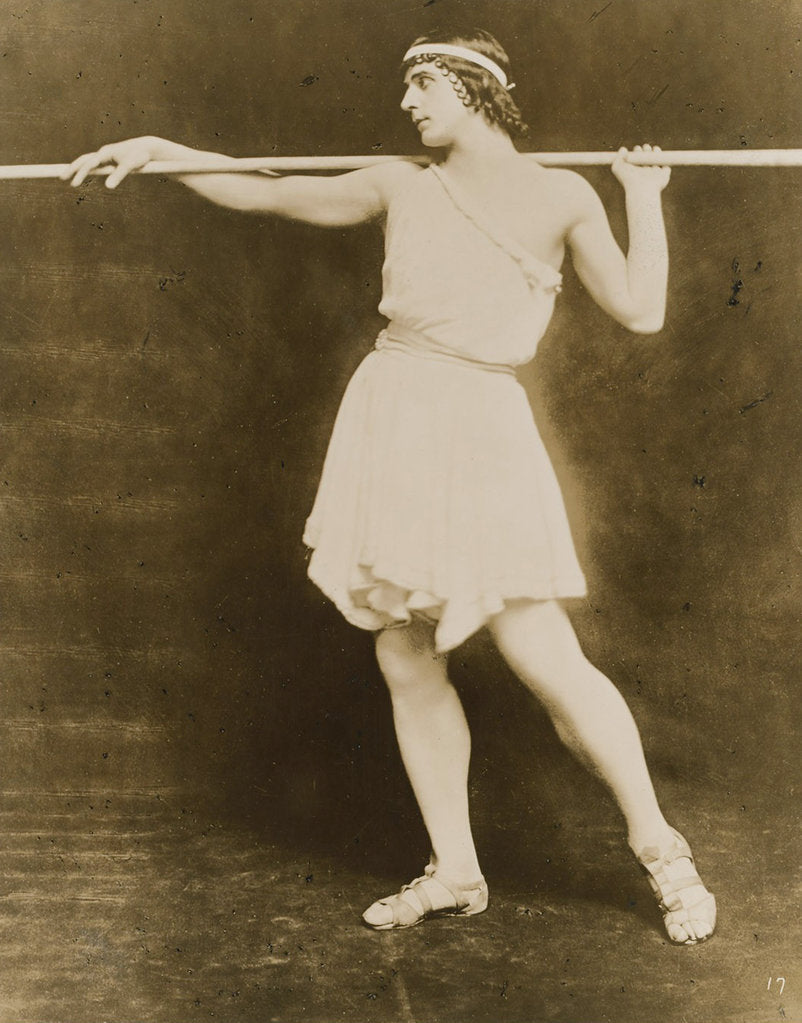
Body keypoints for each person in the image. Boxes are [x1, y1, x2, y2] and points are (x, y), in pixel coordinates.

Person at [63, 27, 716, 945]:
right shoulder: (398, 182)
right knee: (406, 653)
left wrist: (643, 197)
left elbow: (642, 310)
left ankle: (662, 850)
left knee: (544, 655)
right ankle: (456, 869)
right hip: (395, 415)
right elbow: (262, 193)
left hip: (481, 430)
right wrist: (161, 153)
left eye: (421, 86)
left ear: (472, 88)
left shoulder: (563, 195)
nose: (407, 105)